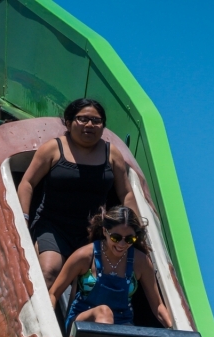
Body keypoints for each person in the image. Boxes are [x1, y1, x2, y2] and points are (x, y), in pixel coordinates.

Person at [17, 98, 138, 288]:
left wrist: (135, 228)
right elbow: (27, 183)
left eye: (96, 121)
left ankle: (75, 316)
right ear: (68, 122)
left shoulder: (112, 154)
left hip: (92, 230)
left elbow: (126, 194)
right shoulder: (53, 149)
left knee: (91, 281)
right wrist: (22, 218)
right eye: (82, 119)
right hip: (53, 225)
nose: (89, 125)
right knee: (49, 271)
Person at [49, 206, 172, 335]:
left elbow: (158, 306)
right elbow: (53, 294)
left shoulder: (141, 262)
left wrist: (175, 331)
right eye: (116, 238)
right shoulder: (84, 256)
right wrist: (50, 331)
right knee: (104, 312)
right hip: (82, 323)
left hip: (122, 325)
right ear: (104, 231)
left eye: (129, 239)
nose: (122, 244)